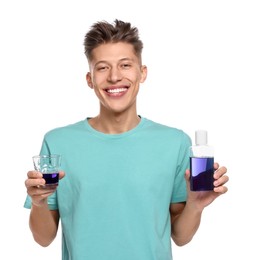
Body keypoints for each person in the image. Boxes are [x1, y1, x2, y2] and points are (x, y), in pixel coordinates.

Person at [24, 19, 229, 260]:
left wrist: (195, 206)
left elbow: (180, 237)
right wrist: (38, 203)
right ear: (89, 79)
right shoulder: (58, 142)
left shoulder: (175, 143)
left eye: (125, 65)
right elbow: (43, 238)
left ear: (142, 73)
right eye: (102, 67)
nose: (114, 77)